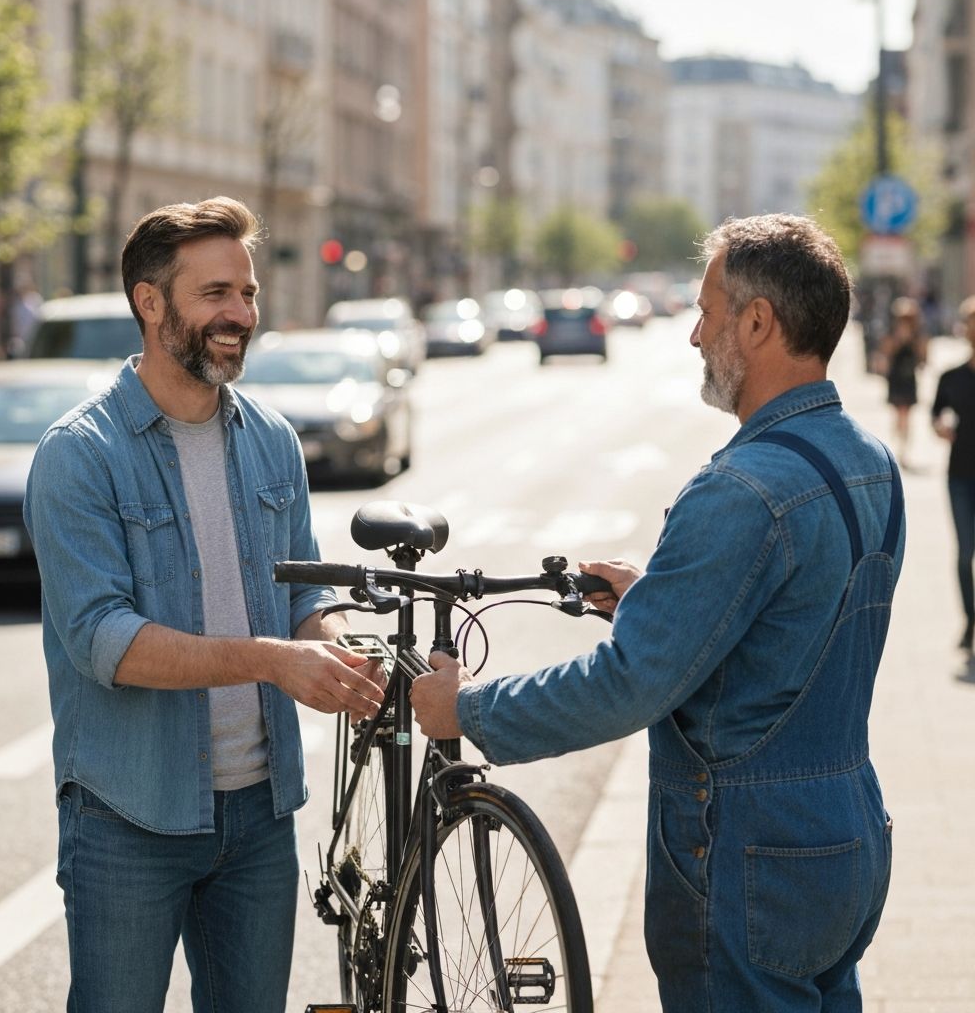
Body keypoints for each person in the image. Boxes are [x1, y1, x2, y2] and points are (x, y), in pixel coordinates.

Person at [411, 213, 904, 1012]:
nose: (694, 336)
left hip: (748, 851)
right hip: (845, 834)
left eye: (709, 314)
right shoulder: (869, 460)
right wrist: (657, 602)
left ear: (758, 321)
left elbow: (629, 684)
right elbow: (798, 628)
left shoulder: (741, 490)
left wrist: (464, 710)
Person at [23, 197, 385, 1013]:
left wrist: (330, 647)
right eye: (216, 293)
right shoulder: (80, 456)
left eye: (248, 294)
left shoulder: (272, 440)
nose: (241, 314)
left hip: (258, 817)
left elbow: (304, 596)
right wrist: (270, 659)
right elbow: (103, 642)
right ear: (151, 303)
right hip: (128, 817)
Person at [931, 295, 975, 651]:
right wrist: (940, 428)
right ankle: (970, 620)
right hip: (959, 475)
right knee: (964, 554)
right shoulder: (951, 377)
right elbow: (935, 414)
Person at [878, 296, 927, 468]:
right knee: (898, 414)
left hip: (909, 379)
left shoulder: (919, 335)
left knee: (906, 414)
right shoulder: (891, 333)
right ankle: (898, 446)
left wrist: (913, 342)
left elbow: (923, 359)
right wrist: (899, 340)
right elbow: (886, 353)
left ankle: (903, 449)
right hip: (896, 378)